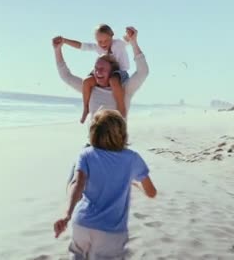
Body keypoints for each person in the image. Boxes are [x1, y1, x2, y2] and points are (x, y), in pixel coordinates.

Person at [53, 109, 157, 259]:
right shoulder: (132, 158)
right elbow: (151, 192)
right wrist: (135, 184)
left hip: (81, 223)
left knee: (76, 255)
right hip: (111, 231)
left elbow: (77, 184)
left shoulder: (86, 153)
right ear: (121, 133)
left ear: (93, 134)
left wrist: (67, 215)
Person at [52, 26, 149, 123]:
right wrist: (61, 45)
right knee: (87, 81)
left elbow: (142, 71)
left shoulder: (125, 88)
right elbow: (80, 47)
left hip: (119, 74)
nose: (103, 44)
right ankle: (86, 109)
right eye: (100, 41)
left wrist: (132, 39)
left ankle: (121, 111)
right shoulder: (91, 89)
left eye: (106, 40)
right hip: (96, 135)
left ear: (111, 36)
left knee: (113, 80)